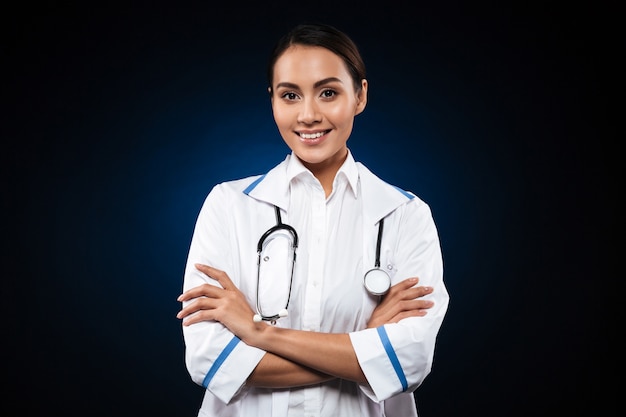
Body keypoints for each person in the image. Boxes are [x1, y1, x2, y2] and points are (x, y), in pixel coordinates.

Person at [176, 23, 449, 417]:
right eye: (290, 95)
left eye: (328, 93)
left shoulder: (405, 216)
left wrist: (258, 332)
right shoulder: (228, 206)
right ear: (272, 101)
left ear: (360, 96)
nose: (308, 115)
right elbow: (209, 360)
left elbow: (408, 362)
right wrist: (364, 346)